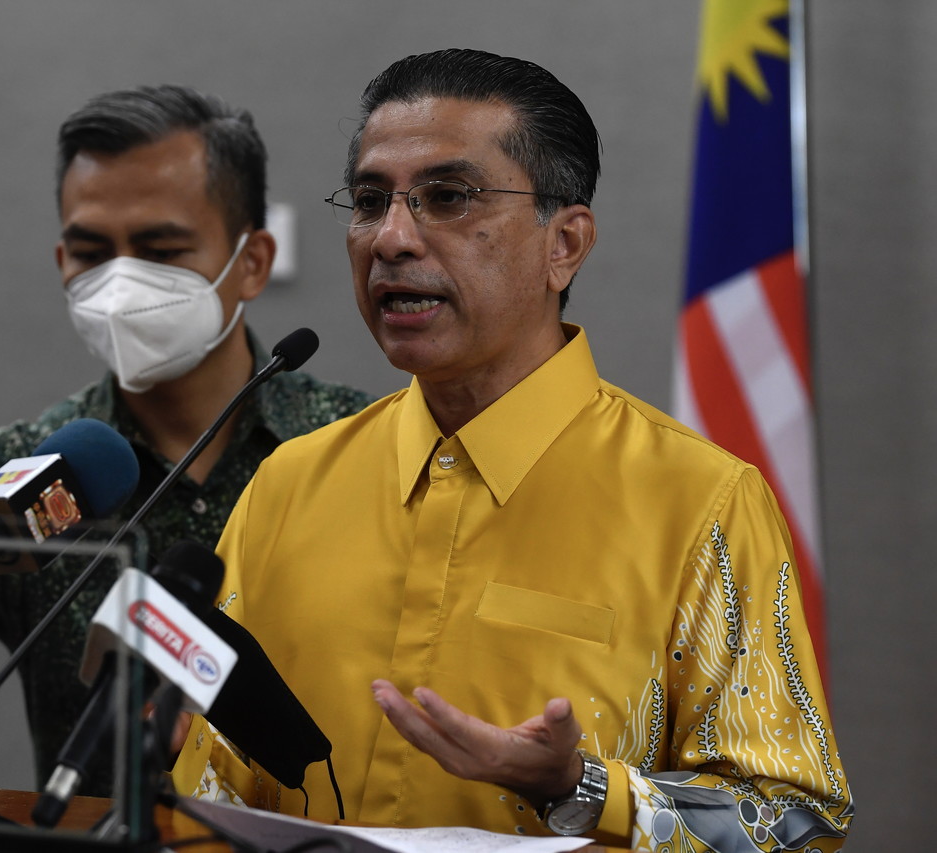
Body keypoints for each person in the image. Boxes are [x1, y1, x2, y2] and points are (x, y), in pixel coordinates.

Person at [174, 50, 852, 850]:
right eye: (368, 200)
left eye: (448, 197)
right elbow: (203, 788)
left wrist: (579, 788)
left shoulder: (699, 500)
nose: (390, 238)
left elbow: (796, 819)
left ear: (564, 243)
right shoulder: (289, 483)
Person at [0, 84, 374, 796]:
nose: (120, 281)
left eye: (160, 248)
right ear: (61, 264)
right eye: (91, 251)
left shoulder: (357, 445)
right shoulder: (30, 467)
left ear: (253, 261)